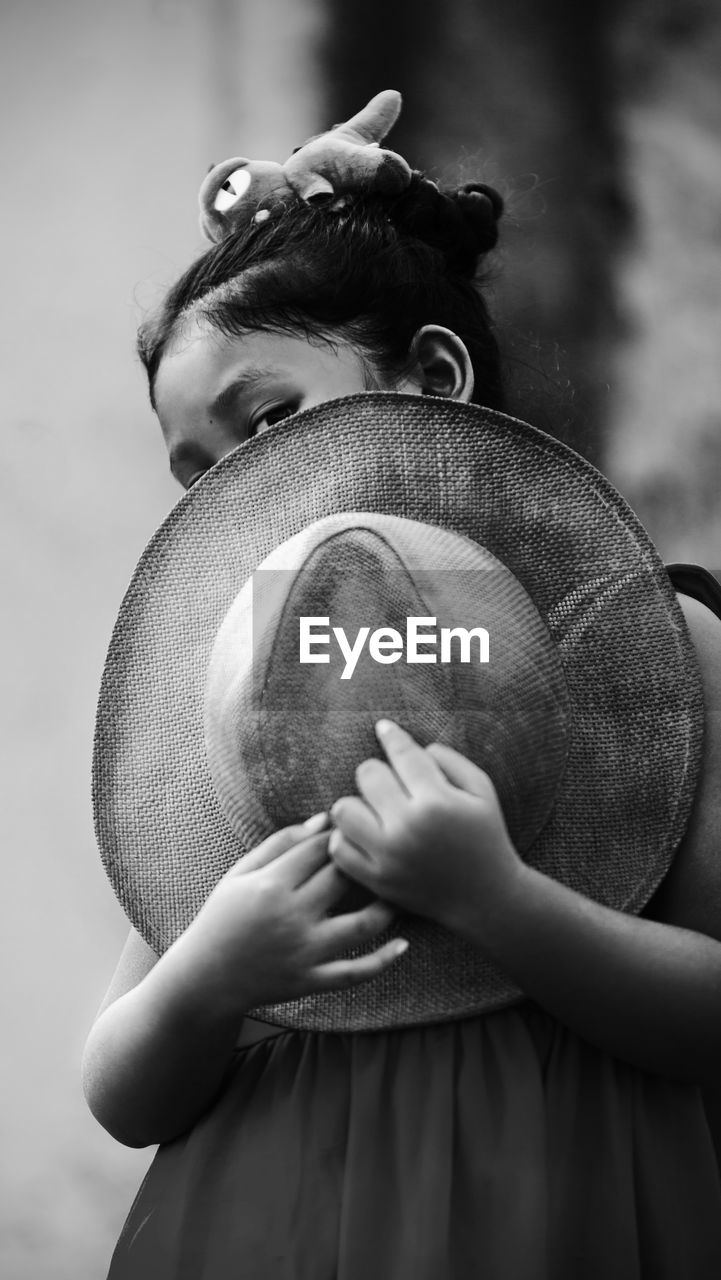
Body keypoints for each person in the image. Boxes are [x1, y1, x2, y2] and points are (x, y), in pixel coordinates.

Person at [83, 92, 721, 1279]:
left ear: (432, 377)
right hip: (267, 1220)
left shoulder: (643, 645)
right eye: (196, 474)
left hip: (551, 1206)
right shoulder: (234, 704)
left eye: (267, 420)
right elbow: (122, 1089)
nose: (236, 491)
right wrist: (212, 970)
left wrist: (498, 900)